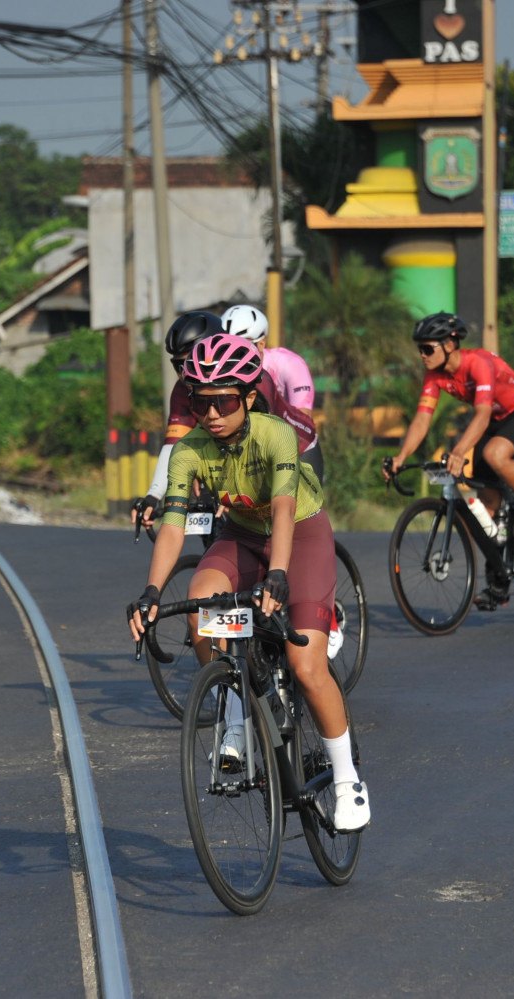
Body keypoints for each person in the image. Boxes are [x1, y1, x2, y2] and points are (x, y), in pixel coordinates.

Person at [127, 333, 369, 831]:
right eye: (200, 402)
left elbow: (282, 508)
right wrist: (151, 593)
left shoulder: (275, 434)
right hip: (241, 536)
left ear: (249, 396)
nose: (212, 413)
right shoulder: (189, 450)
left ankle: (348, 781)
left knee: (306, 665)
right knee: (200, 608)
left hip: (300, 533)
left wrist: (277, 574)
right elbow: (173, 524)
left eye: (225, 401)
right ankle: (234, 709)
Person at [384, 312, 514, 607]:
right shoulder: (435, 376)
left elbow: (482, 414)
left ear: (449, 345)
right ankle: (499, 581)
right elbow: (422, 418)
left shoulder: (477, 363)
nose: (422, 355)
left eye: (427, 348)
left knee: (493, 453)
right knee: (486, 511)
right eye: (419, 349)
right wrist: (401, 456)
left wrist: (458, 452)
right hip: (494, 422)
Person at [133, 312, 323, 528]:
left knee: (284, 521)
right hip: (234, 454)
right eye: (178, 365)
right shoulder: (182, 389)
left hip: (298, 447)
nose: (184, 373)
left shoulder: (254, 379)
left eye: (188, 361)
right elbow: (173, 444)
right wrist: (153, 495)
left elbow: (260, 445)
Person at [220, 303, 316, 418]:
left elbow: (304, 418)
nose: (231, 353)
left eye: (241, 347)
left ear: (261, 344)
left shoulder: (289, 363)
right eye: (225, 347)